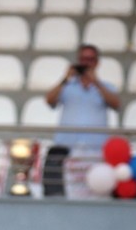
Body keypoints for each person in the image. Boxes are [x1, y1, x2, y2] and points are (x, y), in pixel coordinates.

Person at [43, 43, 121, 197]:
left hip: (95, 149)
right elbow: (49, 100)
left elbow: (116, 104)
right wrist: (65, 78)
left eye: (90, 60)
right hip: (68, 147)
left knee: (96, 190)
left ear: (97, 63)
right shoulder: (67, 86)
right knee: (67, 191)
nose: (86, 63)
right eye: (83, 59)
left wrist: (96, 82)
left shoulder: (106, 86)